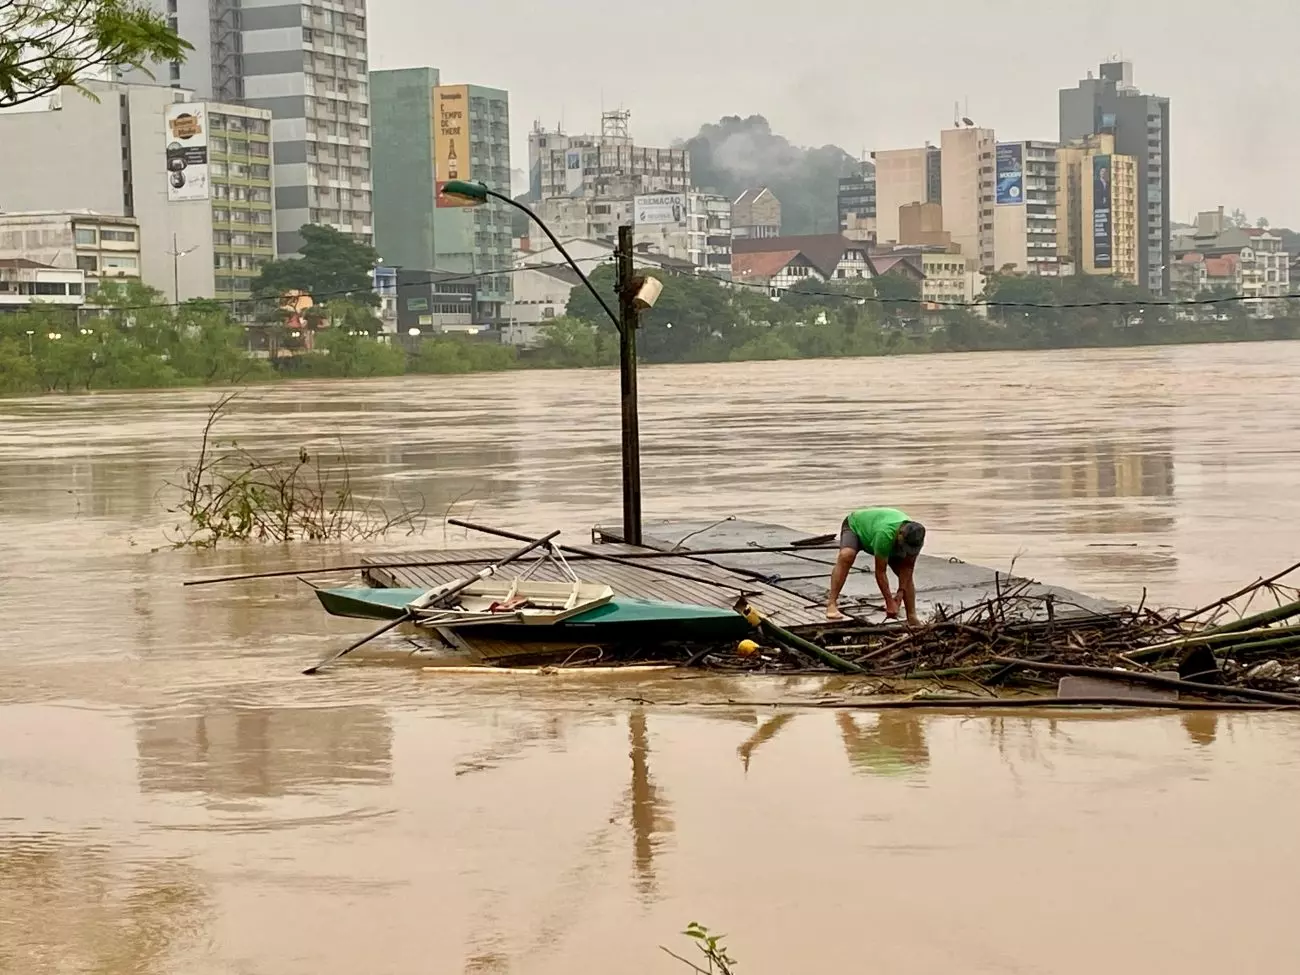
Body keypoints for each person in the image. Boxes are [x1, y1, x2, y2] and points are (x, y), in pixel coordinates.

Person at [826, 507, 926, 625]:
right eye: (904, 545)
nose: (906, 550)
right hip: (855, 526)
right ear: (900, 534)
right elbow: (880, 572)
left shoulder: (916, 538)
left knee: (904, 576)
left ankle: (912, 616)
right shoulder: (885, 534)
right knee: (847, 555)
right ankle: (831, 603)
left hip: (880, 534)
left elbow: (908, 568)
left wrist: (900, 594)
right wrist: (889, 602)